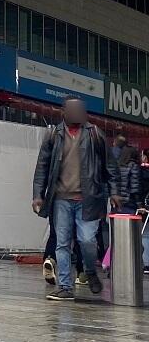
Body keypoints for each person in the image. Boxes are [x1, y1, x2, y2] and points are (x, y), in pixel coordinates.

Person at [32, 98, 117, 300]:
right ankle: (65, 286)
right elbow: (42, 166)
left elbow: (110, 167)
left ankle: (88, 270)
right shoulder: (54, 134)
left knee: (87, 241)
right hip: (60, 198)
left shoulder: (95, 134)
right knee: (62, 244)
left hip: (89, 199)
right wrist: (37, 195)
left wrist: (114, 192)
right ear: (64, 112)